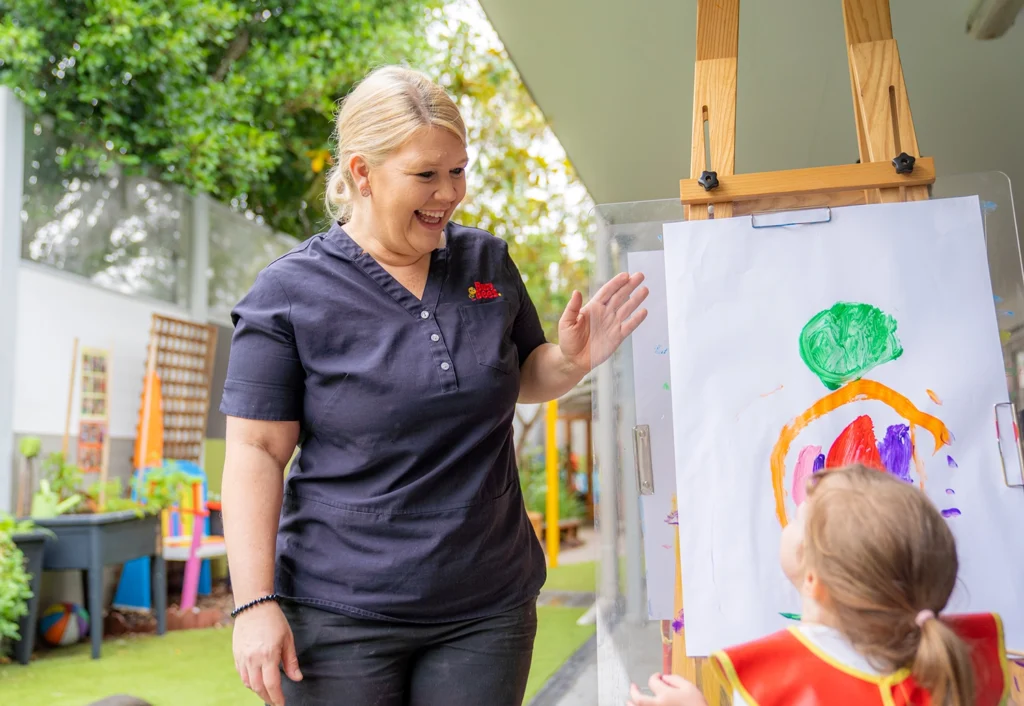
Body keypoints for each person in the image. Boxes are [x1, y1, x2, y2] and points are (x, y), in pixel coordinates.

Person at [219, 64, 649, 706]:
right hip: (340, 613)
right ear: (362, 173)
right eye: (426, 174)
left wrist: (572, 359)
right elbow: (257, 453)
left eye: (458, 170)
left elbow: (524, 374)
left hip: (487, 606)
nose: (450, 193)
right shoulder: (287, 295)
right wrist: (254, 602)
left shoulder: (486, 262)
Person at [628, 464, 1010, 706]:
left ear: (814, 580)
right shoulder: (966, 667)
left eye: (797, 519)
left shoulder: (787, 684)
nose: (787, 524)